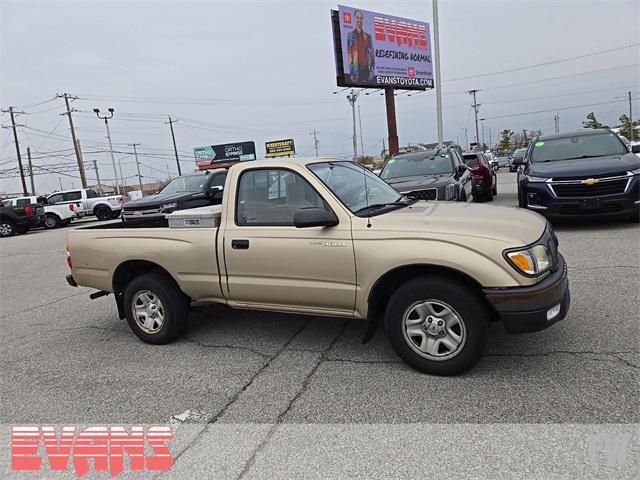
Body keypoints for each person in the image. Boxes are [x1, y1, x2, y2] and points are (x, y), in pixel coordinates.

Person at [347, 9, 375, 84]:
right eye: (357, 17)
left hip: (367, 71)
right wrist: (352, 73)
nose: (359, 20)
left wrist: (372, 71)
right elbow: (350, 56)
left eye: (361, 18)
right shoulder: (350, 36)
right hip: (357, 71)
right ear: (354, 18)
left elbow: (372, 55)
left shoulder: (368, 36)